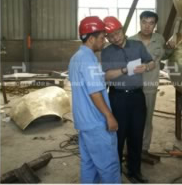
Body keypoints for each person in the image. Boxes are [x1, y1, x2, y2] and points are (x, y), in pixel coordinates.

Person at [100, 16, 154, 183]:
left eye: (117, 33)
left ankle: (134, 171)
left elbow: (151, 62)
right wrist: (124, 70)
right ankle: (114, 174)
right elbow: (107, 76)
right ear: (107, 38)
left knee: (136, 135)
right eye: (111, 36)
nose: (116, 38)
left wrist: (146, 66)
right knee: (118, 136)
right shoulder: (107, 52)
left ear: (122, 29)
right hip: (118, 97)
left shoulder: (137, 46)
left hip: (137, 96)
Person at [68, 16, 121, 183]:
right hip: (96, 123)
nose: (104, 41)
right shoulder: (88, 59)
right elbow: (95, 93)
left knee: (89, 164)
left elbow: (84, 86)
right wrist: (109, 116)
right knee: (109, 166)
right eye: (102, 37)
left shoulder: (75, 58)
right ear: (91, 38)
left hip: (84, 122)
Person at [128, 11, 173, 157]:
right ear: (140, 22)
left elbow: (163, 55)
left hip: (150, 86)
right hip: (133, 87)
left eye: (151, 23)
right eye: (144, 22)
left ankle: (144, 148)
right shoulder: (131, 41)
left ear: (155, 25)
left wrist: (171, 49)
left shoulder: (159, 39)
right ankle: (129, 149)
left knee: (147, 119)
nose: (147, 26)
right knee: (132, 118)